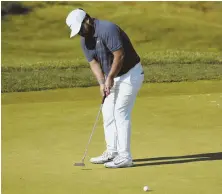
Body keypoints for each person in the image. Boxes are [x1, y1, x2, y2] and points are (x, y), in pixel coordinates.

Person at [66, 8, 144, 168]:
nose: (80, 33)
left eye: (80, 28)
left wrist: (109, 78)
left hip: (130, 73)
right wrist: (102, 82)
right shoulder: (84, 40)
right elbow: (93, 63)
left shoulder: (107, 29)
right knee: (108, 113)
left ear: (87, 20)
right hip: (113, 76)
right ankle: (112, 152)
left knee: (120, 112)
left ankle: (125, 156)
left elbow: (119, 55)